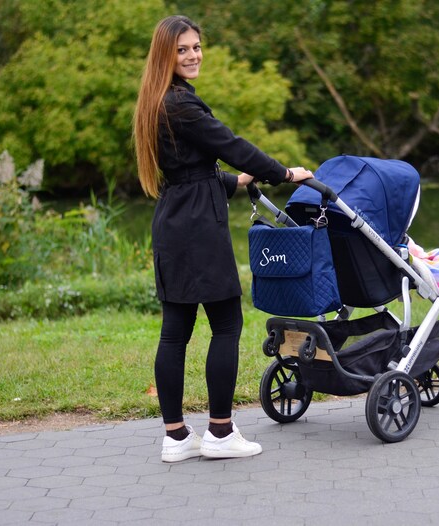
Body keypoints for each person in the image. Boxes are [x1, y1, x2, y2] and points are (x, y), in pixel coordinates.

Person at [133, 15, 313, 462]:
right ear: (165, 55)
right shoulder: (181, 104)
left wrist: (236, 181)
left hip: (174, 220)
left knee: (175, 332)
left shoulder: (158, 99)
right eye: (182, 49)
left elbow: (189, 169)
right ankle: (219, 432)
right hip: (198, 229)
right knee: (227, 324)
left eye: (196, 47)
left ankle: (176, 437)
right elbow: (231, 145)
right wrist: (283, 173)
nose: (193, 55)